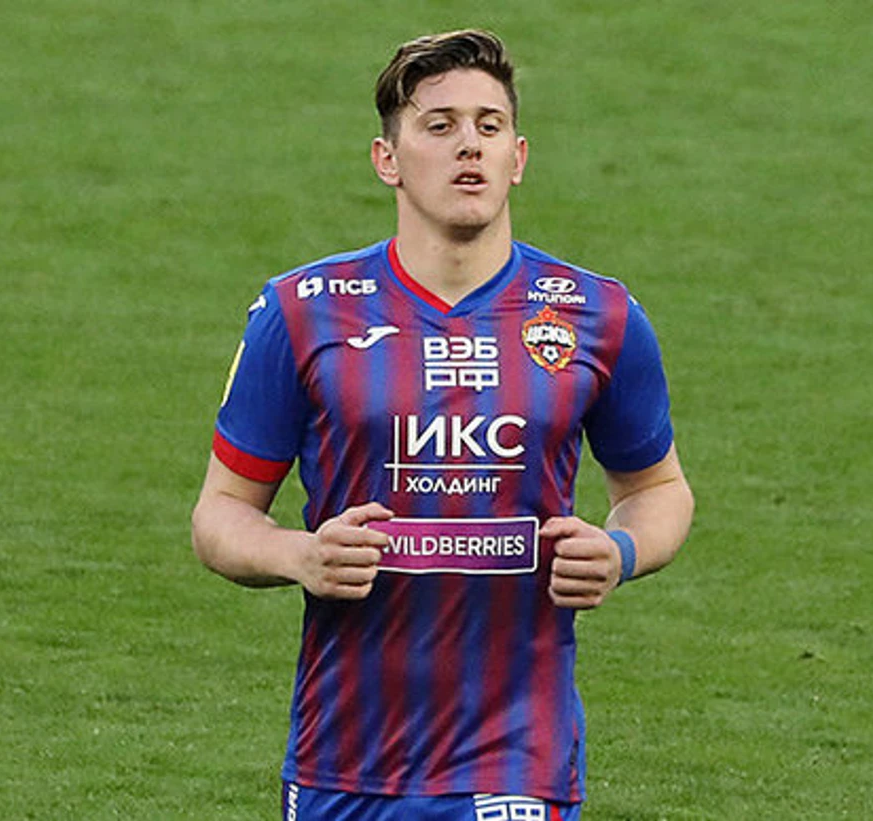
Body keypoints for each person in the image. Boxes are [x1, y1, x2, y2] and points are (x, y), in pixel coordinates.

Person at [190, 29, 694, 821]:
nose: (470, 145)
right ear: (386, 159)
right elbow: (220, 513)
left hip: (518, 760)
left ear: (517, 157)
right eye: (440, 125)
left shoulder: (597, 316)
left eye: (490, 126)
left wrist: (620, 551)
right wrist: (300, 554)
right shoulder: (301, 313)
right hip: (344, 762)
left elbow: (659, 488)